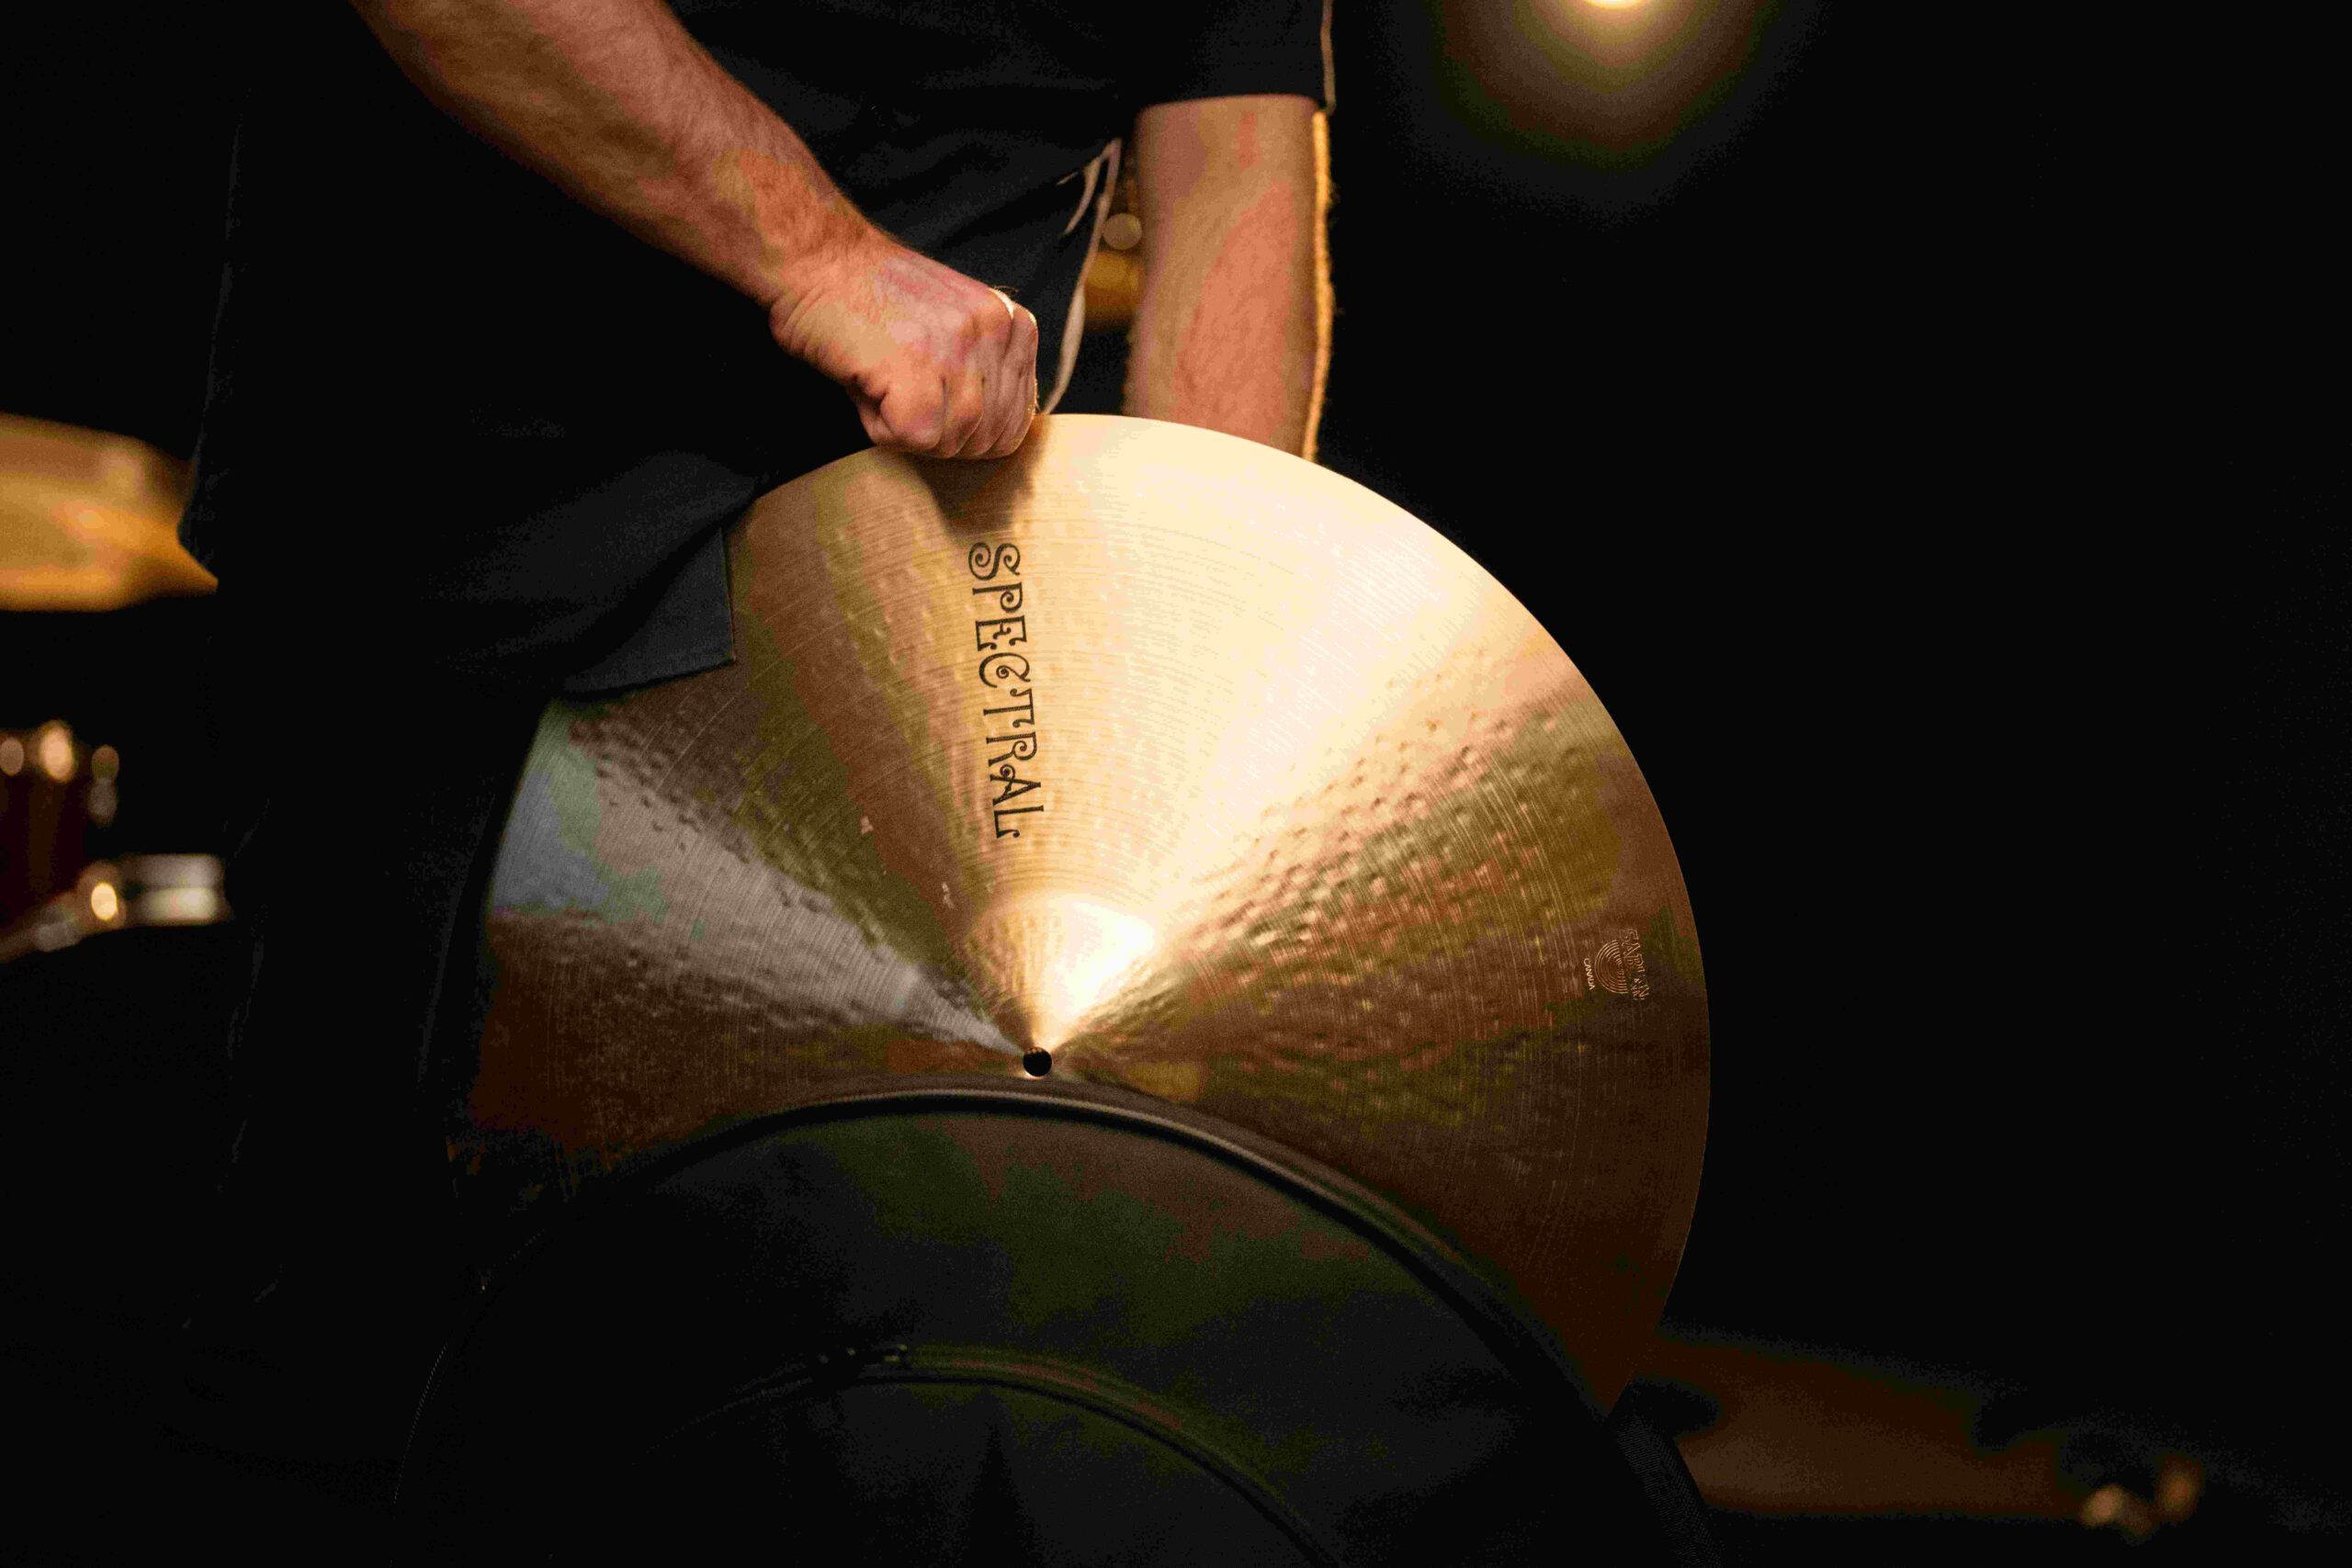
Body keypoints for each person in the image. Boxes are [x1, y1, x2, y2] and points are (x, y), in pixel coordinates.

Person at [165, 0, 1332, 1534]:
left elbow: (1238, 167)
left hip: (913, 619)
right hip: (483, 544)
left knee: (868, 1397)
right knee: (383, 1360)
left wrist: (1183, 695)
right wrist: (821, 260)